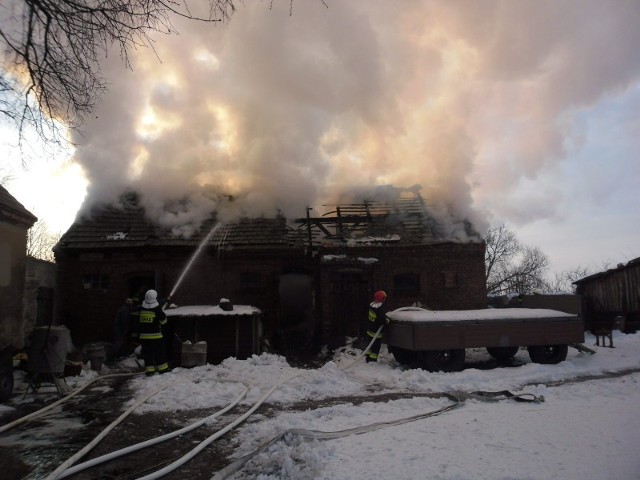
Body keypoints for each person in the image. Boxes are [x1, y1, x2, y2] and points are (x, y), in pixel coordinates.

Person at [137, 289, 169, 376]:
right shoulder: (157, 310)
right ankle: (163, 370)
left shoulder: (141, 309)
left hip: (144, 337)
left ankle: (150, 371)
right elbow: (163, 322)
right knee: (160, 353)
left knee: (147, 354)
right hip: (156, 337)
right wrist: (162, 314)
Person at [365, 290, 389, 363]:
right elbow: (382, 320)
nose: (385, 299)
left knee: (370, 345)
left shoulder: (372, 306)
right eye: (384, 298)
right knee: (376, 347)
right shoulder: (379, 309)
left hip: (370, 330)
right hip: (376, 332)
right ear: (381, 298)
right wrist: (387, 321)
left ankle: (368, 358)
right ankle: (372, 360)